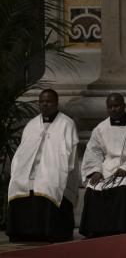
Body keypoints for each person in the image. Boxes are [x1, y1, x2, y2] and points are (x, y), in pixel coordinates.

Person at [6, 89, 80, 242]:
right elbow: (23, 151)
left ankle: (49, 232)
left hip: (55, 167)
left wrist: (51, 167)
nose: (45, 104)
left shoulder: (66, 123)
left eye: (48, 101)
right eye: (42, 101)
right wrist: (20, 168)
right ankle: (23, 232)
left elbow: (68, 152)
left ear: (56, 103)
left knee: (47, 183)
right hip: (31, 168)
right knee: (17, 182)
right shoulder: (32, 124)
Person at [79, 93, 126, 237]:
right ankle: (95, 231)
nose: (114, 109)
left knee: (123, 187)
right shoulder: (101, 128)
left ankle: (122, 230)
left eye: (117, 106)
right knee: (92, 187)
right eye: (110, 107)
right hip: (106, 168)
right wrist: (95, 170)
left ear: (124, 106)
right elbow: (93, 151)